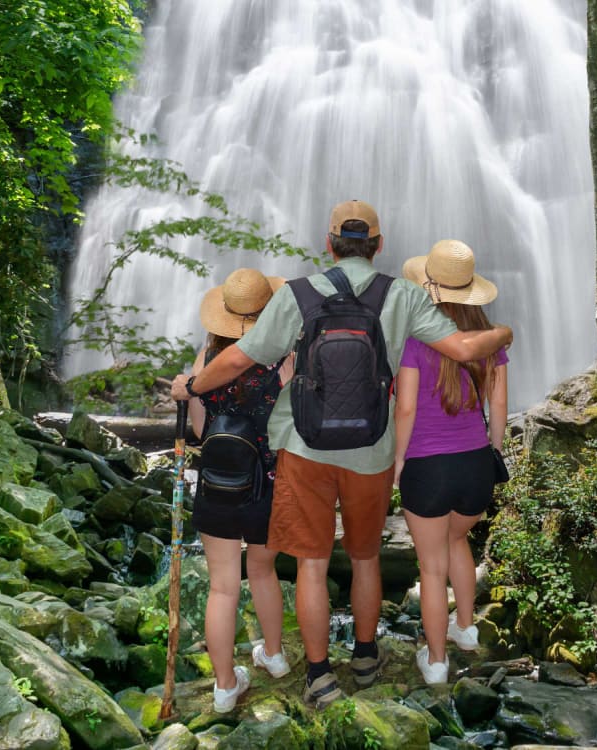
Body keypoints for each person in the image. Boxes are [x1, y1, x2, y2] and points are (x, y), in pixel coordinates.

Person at [172, 200, 513, 709]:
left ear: (328, 244)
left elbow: (241, 357)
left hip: (304, 450)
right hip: (372, 450)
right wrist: (505, 333)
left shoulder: (297, 296)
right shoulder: (401, 295)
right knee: (366, 557)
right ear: (379, 246)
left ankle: (318, 675)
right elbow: (465, 349)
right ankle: (366, 653)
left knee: (311, 564)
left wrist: (192, 385)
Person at [394, 239, 508, 685]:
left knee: (431, 566)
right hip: (476, 465)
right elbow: (498, 406)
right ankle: (466, 628)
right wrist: (494, 450)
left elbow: (404, 408)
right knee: (458, 541)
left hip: (428, 467)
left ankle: (437, 661)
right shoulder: (489, 343)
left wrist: (398, 460)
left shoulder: (416, 340)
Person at [183, 268, 293, 713]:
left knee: (223, 588)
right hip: (267, 484)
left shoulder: (207, 360)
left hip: (217, 484)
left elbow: (197, 429)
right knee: (264, 571)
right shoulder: (281, 359)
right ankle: (274, 655)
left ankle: (226, 685)